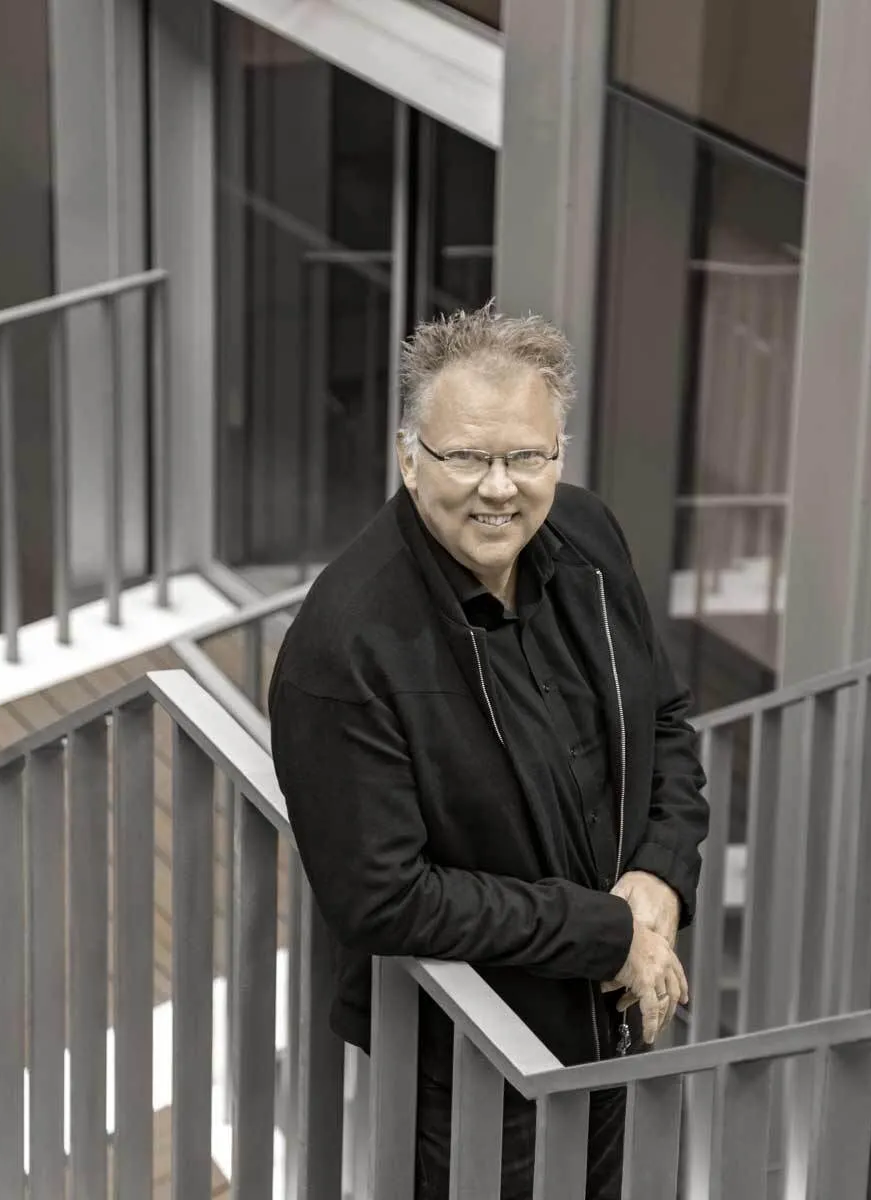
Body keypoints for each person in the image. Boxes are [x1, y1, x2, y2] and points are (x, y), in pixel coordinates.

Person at [268, 305, 709, 1199]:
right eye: (467, 456)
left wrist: (660, 876)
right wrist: (603, 934)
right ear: (407, 455)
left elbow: (665, 720)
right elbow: (381, 896)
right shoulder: (345, 645)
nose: (499, 488)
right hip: (469, 1061)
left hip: (619, 1020)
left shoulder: (588, 537)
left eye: (527, 457)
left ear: (559, 454)